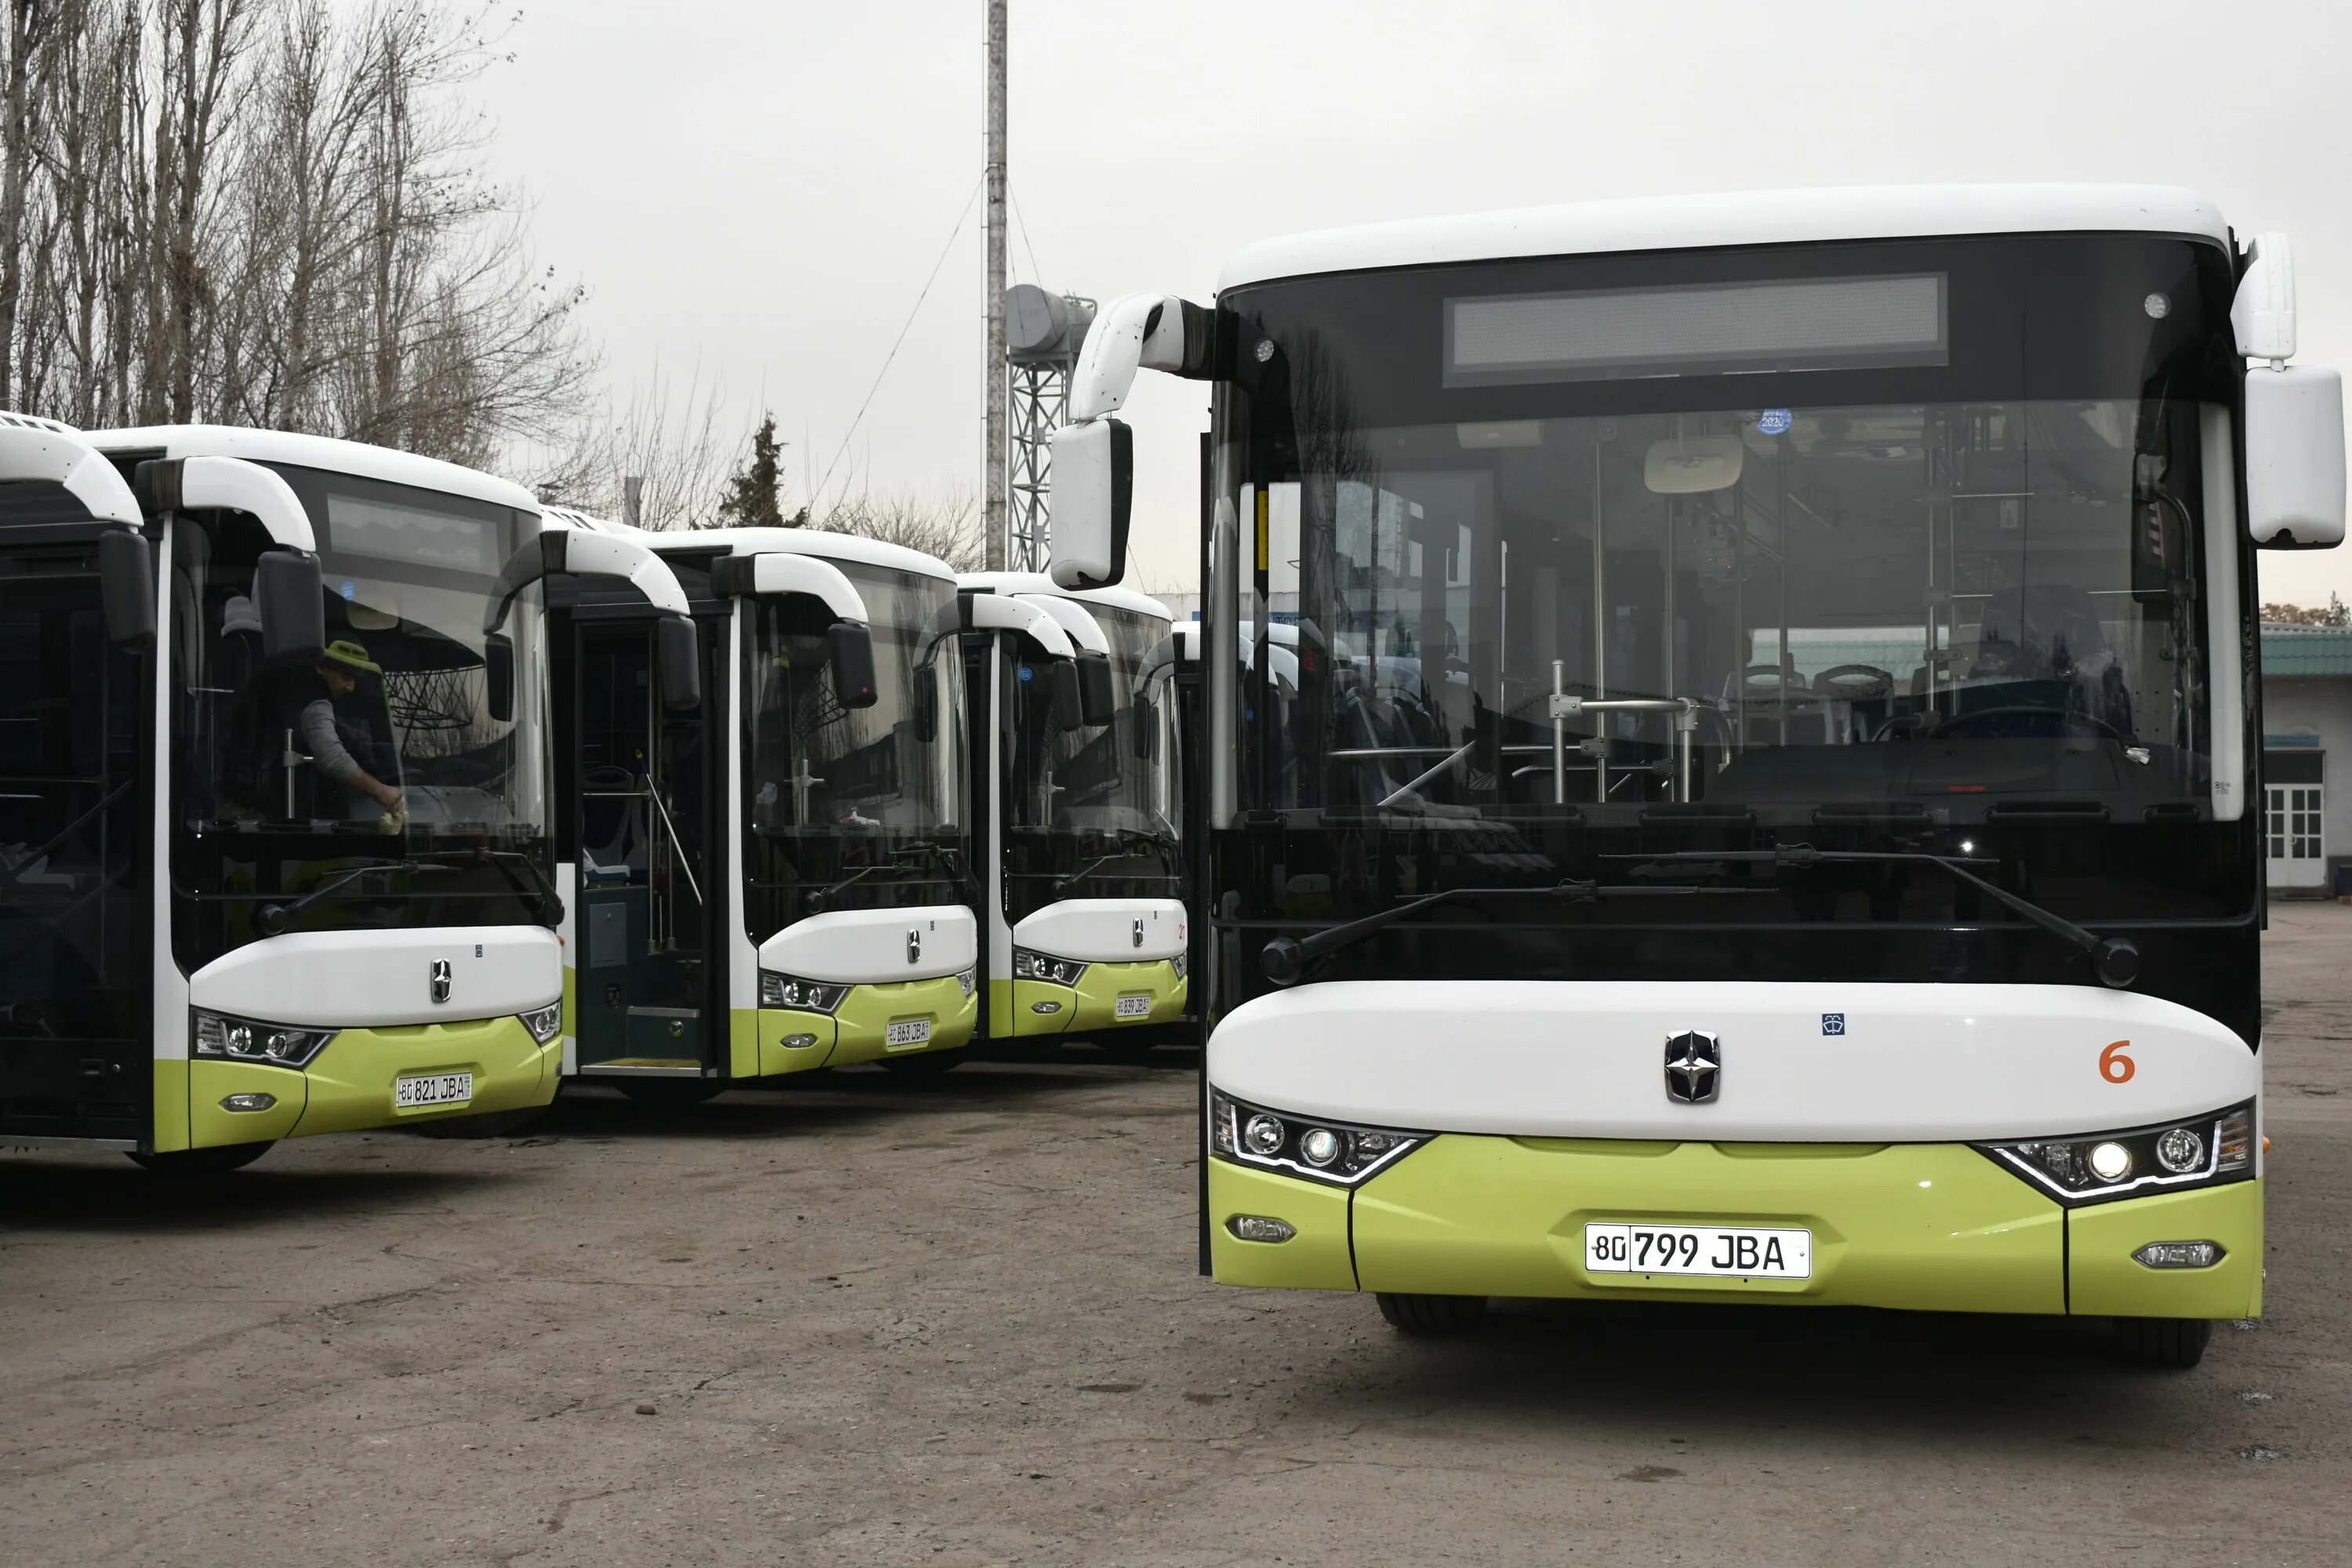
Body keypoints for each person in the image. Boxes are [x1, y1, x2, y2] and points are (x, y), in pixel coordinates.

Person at [301, 640, 404, 823]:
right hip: (313, 819)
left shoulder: (346, 708)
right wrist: (380, 791)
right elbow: (331, 756)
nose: (351, 687)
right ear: (320, 667)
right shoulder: (315, 703)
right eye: (346, 677)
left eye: (355, 679)